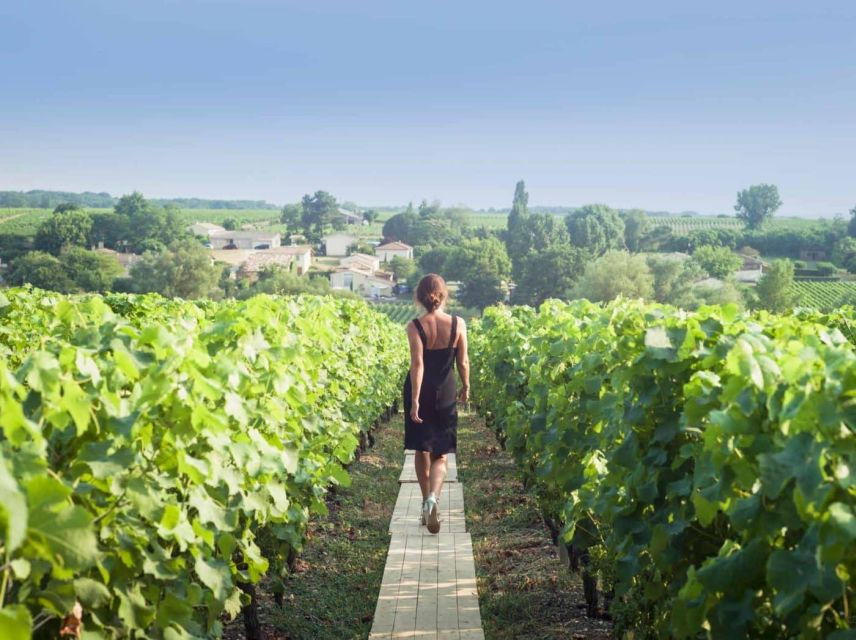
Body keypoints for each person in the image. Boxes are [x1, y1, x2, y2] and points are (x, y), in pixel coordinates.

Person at [403, 273, 469, 534]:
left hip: (421, 391)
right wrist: (466, 385)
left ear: (419, 297)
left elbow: (417, 365)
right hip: (446, 392)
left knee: (422, 449)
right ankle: (433, 498)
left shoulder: (415, 326)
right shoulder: (458, 323)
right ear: (443, 296)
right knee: (441, 453)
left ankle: (424, 502)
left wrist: (415, 399)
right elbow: (463, 362)